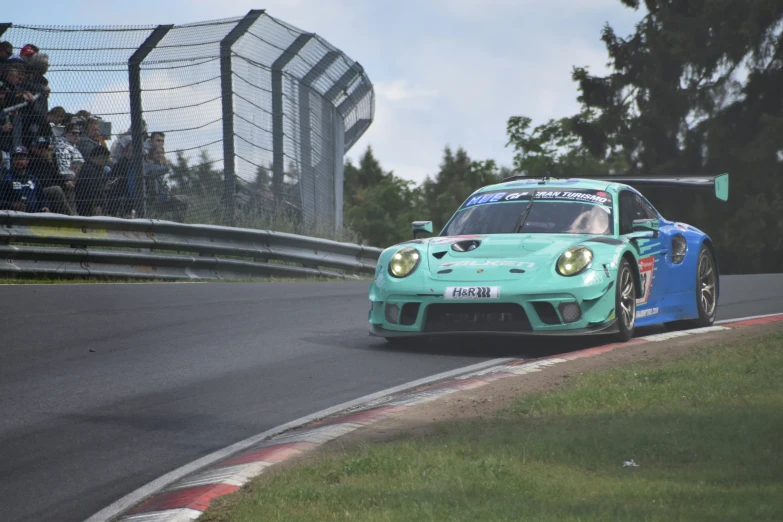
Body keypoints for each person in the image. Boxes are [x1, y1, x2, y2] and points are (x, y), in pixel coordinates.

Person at [0, 145, 49, 212]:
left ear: (27, 161)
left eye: (22, 158)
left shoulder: (33, 179)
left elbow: (43, 198)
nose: (19, 162)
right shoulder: (7, 179)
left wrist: (45, 206)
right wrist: (12, 205)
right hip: (16, 217)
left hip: (35, 216)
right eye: (16, 159)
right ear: (12, 161)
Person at [74, 145, 111, 216]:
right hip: (88, 205)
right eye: (104, 158)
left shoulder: (98, 169)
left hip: (95, 202)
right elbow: (94, 190)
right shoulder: (89, 170)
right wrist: (98, 205)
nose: (106, 161)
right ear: (98, 157)